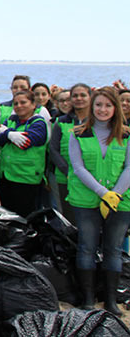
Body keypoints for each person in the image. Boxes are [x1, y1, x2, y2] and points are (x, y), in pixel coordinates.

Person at [68, 87, 130, 315]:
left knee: (113, 249)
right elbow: (78, 167)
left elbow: (129, 168)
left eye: (108, 105)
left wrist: (115, 195)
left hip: (121, 201)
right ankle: (87, 298)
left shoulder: (126, 134)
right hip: (87, 200)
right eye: (99, 105)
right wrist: (103, 193)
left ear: (115, 108)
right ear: (92, 107)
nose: (103, 110)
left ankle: (111, 300)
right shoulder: (77, 133)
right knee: (87, 247)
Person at [0, 90, 49, 218]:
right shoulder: (11, 120)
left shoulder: (38, 123)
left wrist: (7, 133)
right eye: (16, 103)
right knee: (8, 215)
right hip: (5, 176)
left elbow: (25, 142)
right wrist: (10, 134)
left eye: (23, 102)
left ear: (33, 104)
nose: (19, 106)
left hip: (26, 178)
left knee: (27, 217)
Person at [49, 83, 91, 223]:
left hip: (92, 178)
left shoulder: (96, 121)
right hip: (65, 177)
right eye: (75, 96)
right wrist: (68, 171)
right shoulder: (61, 122)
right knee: (68, 218)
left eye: (83, 95)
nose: (79, 98)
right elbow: (54, 149)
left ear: (90, 97)